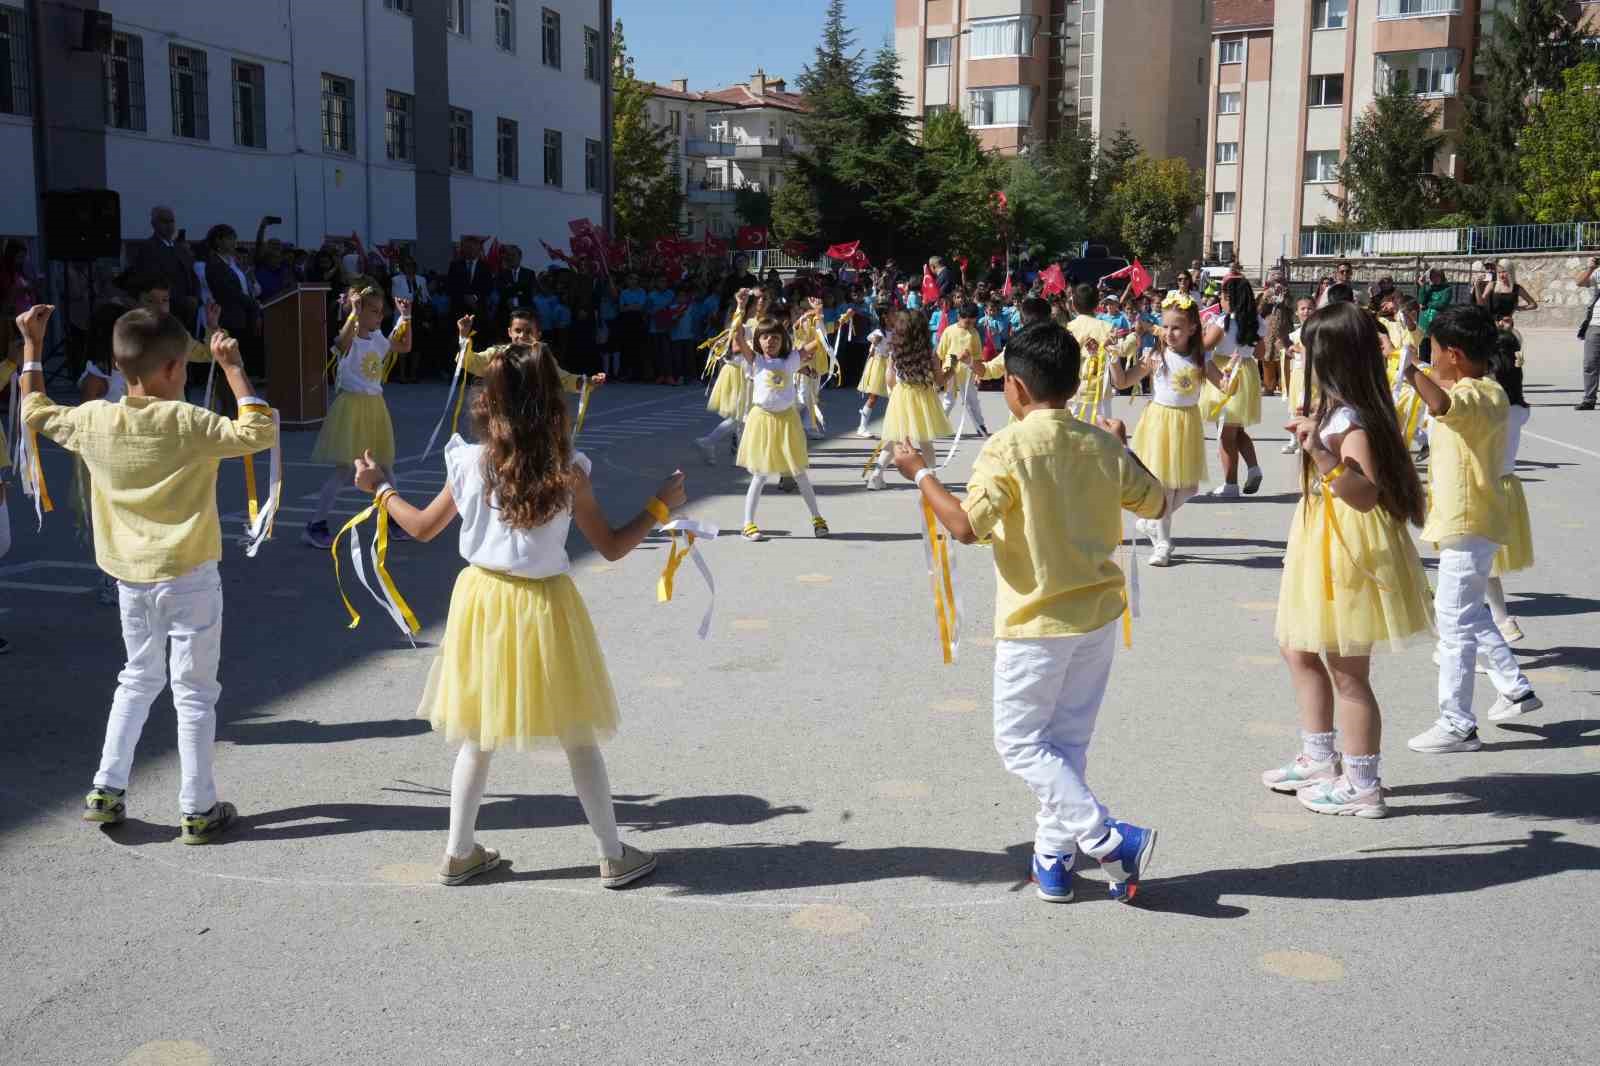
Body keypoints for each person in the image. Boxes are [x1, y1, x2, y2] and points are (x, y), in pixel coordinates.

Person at [352, 342, 677, 887]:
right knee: (578, 733)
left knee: (479, 730)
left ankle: (459, 852)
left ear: (490, 400)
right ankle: (612, 853)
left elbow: (423, 528)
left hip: (482, 600)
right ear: (552, 399)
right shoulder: (570, 470)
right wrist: (661, 505)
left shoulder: (472, 463)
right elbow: (614, 546)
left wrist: (381, 486)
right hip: (545, 603)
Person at [889, 320, 1166, 903]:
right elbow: (1156, 499)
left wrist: (920, 473)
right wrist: (1122, 443)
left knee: (1019, 743)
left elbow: (966, 527)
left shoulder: (1007, 447)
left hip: (1036, 622)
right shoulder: (1098, 442)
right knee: (1064, 745)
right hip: (1095, 615)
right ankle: (1053, 860)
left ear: (1013, 387)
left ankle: (1107, 838)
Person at [17, 303, 277, 842]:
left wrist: (32, 347)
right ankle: (198, 805)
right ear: (171, 370)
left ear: (119, 366)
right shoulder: (187, 422)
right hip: (189, 574)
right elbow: (259, 430)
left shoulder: (94, 419)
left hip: (130, 577)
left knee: (136, 679)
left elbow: (34, 409)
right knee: (195, 692)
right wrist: (232, 369)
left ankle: (107, 787)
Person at [1266, 302, 1433, 818]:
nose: (1300, 355)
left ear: (1332, 358)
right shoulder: (1335, 410)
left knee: (1347, 670)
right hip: (1322, 539)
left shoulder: (1353, 421)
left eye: (1308, 348)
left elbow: (1363, 494)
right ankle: (1319, 758)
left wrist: (1322, 455)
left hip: (1348, 547)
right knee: (1299, 648)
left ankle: (1363, 782)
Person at [1404, 305, 1542, 754]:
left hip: (1469, 522)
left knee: (1455, 624)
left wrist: (1408, 372)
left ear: (1456, 355)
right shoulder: (1483, 389)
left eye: (1436, 352)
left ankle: (1457, 722)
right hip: (1464, 522)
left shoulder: (1480, 395)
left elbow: (1442, 401)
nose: (1433, 359)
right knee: (1469, 611)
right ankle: (1515, 686)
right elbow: (1442, 395)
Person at [302, 285, 413, 549]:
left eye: (380, 312)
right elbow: (341, 342)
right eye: (373, 311)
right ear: (358, 311)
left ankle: (396, 520)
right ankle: (315, 525)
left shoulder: (378, 339)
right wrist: (353, 313)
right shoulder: (348, 341)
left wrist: (406, 317)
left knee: (385, 466)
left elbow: (405, 346)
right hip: (351, 408)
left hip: (376, 406)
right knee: (344, 469)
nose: (379, 317)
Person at [1123, 292, 1218, 566]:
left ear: (1192, 329)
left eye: (1176, 328)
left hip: (1187, 423)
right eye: (1165, 327)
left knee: (1188, 489)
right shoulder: (1155, 355)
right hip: (1161, 422)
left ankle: (1153, 521)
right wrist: (1114, 360)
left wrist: (1233, 373)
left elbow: (1224, 385)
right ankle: (1162, 545)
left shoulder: (1201, 359)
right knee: (1165, 488)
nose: (1169, 333)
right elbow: (1125, 380)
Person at [730, 295, 830, 541]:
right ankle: (748, 523)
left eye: (775, 337)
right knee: (760, 474)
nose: (770, 341)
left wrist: (819, 315)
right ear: (758, 340)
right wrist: (741, 307)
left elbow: (817, 343)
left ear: (783, 340)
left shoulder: (791, 360)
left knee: (799, 472)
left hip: (787, 422)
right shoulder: (756, 361)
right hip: (762, 421)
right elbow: (738, 336)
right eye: (764, 337)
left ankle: (817, 518)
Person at [867, 309, 953, 491]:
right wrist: (952, 368)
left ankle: (876, 475)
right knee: (925, 440)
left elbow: (889, 379)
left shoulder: (895, 351)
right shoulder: (930, 354)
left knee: (893, 440)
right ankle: (931, 477)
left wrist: (893, 391)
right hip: (922, 397)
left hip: (900, 395)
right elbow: (939, 381)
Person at [1485, 331, 1532, 643]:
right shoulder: (1520, 409)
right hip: (1508, 485)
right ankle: (1500, 619)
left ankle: (1501, 621)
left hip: (1485, 485)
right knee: (1485, 565)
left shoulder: (1489, 405)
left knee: (1482, 564)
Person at [1202, 276, 1266, 497]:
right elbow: (1261, 353)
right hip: (1246, 371)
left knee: (1224, 434)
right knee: (1236, 429)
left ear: (1231, 298)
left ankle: (1230, 485)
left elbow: (1204, 346)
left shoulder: (1222, 322)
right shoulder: (1256, 321)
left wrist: (1205, 328)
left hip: (1225, 372)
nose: (1220, 299)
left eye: (1223, 296)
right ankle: (1254, 468)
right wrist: (1245, 346)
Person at [203, 225, 263, 377]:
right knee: (229, 368)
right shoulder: (215, 264)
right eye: (230, 238)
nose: (234, 242)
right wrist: (253, 303)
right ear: (218, 240)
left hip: (241, 316)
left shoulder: (231, 262)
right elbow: (231, 294)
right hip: (228, 318)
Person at [128, 206, 199, 328]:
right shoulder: (148, 248)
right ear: (154, 224)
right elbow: (152, 281)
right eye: (164, 221)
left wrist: (196, 299)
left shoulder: (180, 249)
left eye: (171, 221)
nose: (169, 225)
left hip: (188, 313)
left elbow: (192, 275)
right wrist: (180, 300)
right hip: (165, 311)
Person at [937, 303, 990, 436]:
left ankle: (980, 426)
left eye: (972, 322)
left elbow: (978, 355)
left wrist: (978, 374)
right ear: (959, 317)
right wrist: (938, 373)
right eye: (967, 322)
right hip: (950, 370)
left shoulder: (974, 334)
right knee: (949, 399)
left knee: (972, 400)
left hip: (967, 372)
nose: (969, 325)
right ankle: (939, 426)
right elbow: (940, 353)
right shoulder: (949, 331)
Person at [855, 305, 892, 437]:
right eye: (892, 314)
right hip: (879, 364)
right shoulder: (878, 333)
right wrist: (874, 345)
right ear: (885, 317)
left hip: (891, 365)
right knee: (873, 397)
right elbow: (872, 349)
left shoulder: (896, 331)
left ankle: (893, 427)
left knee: (894, 396)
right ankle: (862, 426)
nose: (895, 316)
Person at [1473, 259, 1537, 329]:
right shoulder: (1492, 285)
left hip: (1506, 325)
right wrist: (1476, 286)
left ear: (1510, 272)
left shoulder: (1517, 288)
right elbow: (1481, 303)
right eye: (1499, 272)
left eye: (1504, 272)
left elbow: (1533, 305)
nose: (1501, 275)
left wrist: (1519, 308)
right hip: (1492, 324)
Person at [1573, 256, 1599, 410]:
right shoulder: (1597, 272)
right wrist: (1590, 268)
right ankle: (1589, 399)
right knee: (1590, 364)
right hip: (1595, 324)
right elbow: (1579, 282)